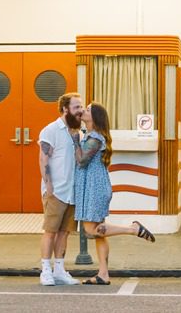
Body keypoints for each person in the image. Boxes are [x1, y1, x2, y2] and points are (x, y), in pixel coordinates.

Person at [72, 102, 156, 285]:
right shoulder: (91, 136)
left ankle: (133, 229)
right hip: (93, 187)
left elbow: (81, 161)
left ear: (95, 118)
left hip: (95, 187)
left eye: (87, 110)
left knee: (91, 230)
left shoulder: (95, 138)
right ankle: (103, 274)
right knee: (99, 233)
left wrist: (75, 140)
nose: (83, 112)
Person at [38, 92, 84, 286]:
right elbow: (43, 159)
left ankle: (59, 269)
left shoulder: (77, 132)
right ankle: (45, 270)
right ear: (65, 109)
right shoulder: (51, 130)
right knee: (50, 231)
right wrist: (48, 186)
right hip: (56, 191)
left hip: (71, 192)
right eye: (76, 107)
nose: (80, 111)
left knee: (64, 232)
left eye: (81, 107)